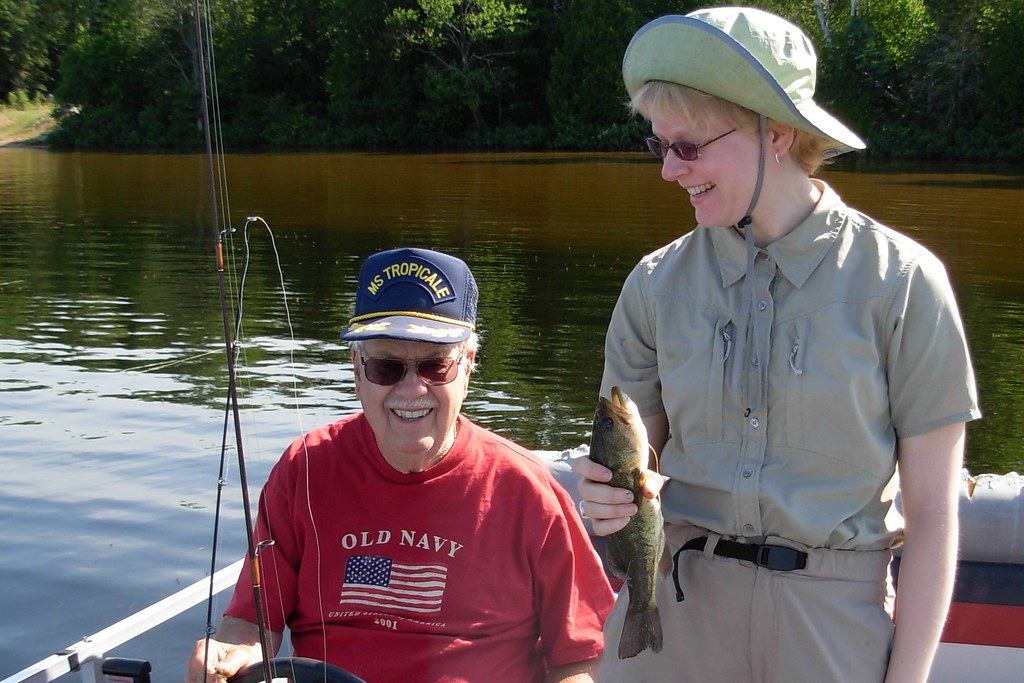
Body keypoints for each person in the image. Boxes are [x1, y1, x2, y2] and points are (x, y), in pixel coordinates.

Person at [572, 7, 980, 683]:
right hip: (674, 623)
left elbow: (934, 521)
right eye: (660, 146)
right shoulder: (651, 286)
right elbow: (626, 469)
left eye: (690, 147)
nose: (670, 171)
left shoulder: (905, 284)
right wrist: (606, 499)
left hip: (835, 630)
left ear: (779, 133)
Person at [188, 247, 614, 683]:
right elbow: (251, 624)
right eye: (387, 368)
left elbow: (581, 657)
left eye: (435, 366)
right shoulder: (304, 468)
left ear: (467, 366)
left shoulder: (528, 490)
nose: (412, 389)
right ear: (357, 369)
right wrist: (229, 656)